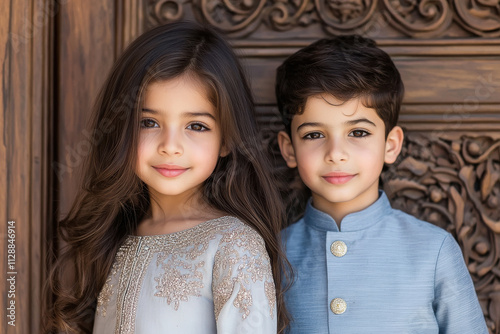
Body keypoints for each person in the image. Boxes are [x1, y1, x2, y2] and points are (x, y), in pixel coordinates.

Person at [44, 21, 290, 334]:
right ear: (121, 128)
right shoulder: (113, 238)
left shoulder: (233, 245)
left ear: (227, 138)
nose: (170, 146)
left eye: (196, 126)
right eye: (148, 122)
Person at [276, 35, 488, 333]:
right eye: (314, 135)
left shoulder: (433, 250)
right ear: (289, 149)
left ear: (391, 145)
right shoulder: (270, 255)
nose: (336, 153)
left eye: (359, 133)